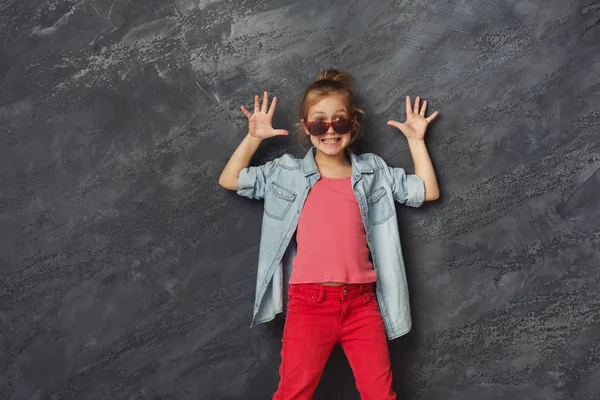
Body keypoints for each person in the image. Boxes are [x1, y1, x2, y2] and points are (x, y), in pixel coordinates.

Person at [218, 69, 440, 400]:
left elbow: (427, 192)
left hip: (363, 304)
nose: (330, 131)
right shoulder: (287, 173)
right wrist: (254, 137)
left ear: (354, 122)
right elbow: (231, 180)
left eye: (340, 121)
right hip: (309, 303)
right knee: (293, 392)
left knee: (381, 394)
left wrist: (416, 141)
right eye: (320, 123)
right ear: (306, 127)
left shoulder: (373, 172)